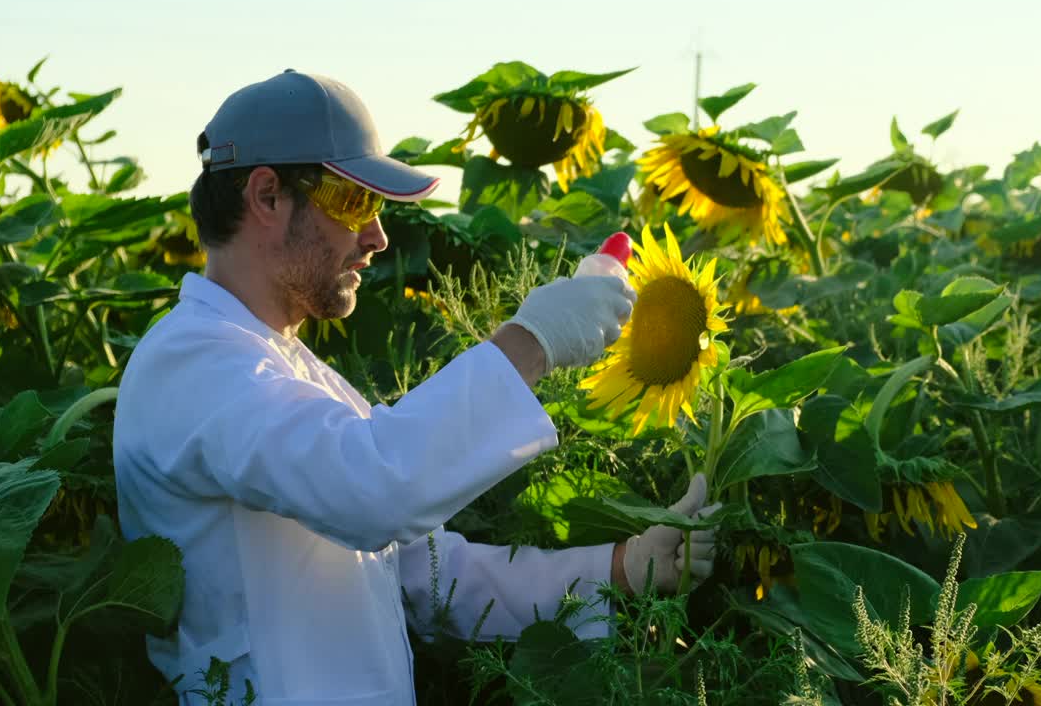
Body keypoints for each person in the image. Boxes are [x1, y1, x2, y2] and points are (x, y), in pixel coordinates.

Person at [112, 69, 720, 705]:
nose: (376, 237)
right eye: (354, 202)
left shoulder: (288, 372)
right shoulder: (190, 363)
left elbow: (429, 573)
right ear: (266, 196)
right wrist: (531, 341)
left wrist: (625, 566)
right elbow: (376, 487)